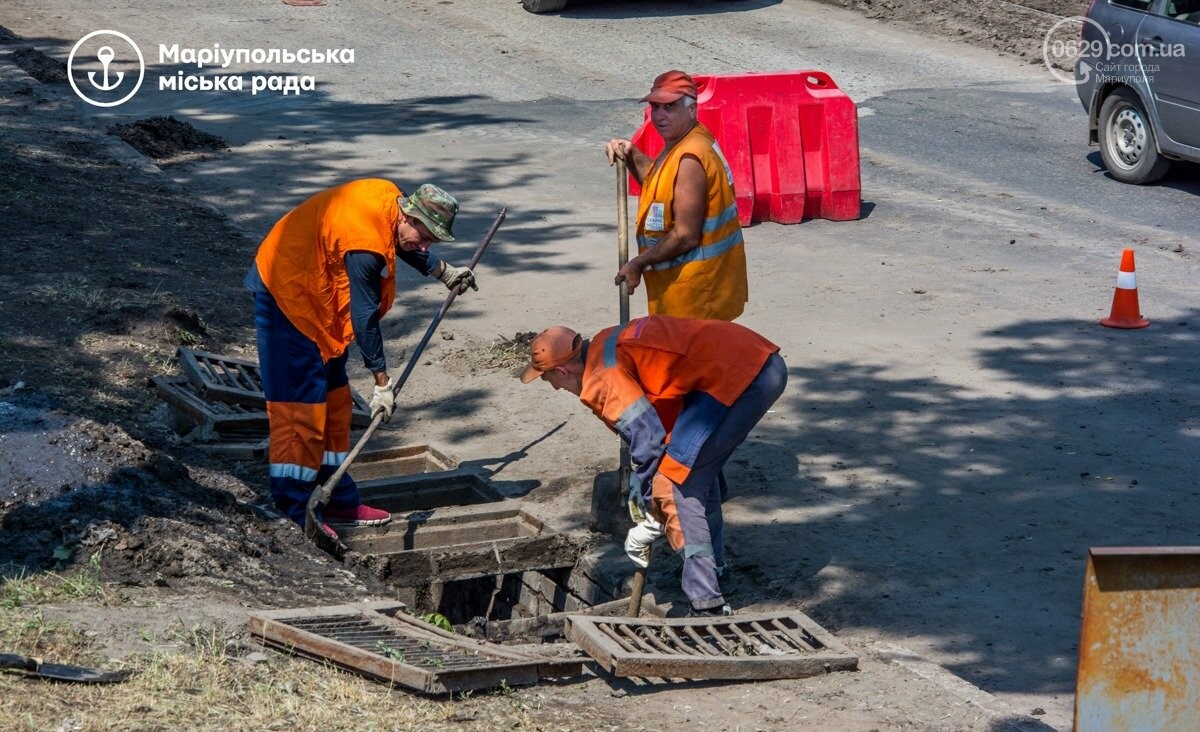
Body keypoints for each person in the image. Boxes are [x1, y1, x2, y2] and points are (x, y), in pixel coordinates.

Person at [246, 179, 477, 536]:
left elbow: (401, 241)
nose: (425, 244)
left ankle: (336, 497)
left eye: (433, 241)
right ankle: (293, 514)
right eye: (426, 236)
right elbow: (364, 317)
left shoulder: (390, 203)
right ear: (409, 215)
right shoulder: (365, 243)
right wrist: (382, 383)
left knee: (336, 404)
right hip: (287, 297)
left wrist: (440, 269)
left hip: (318, 299)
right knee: (300, 412)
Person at [519, 316, 787, 615]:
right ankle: (716, 570)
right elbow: (658, 418)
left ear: (562, 370)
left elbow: (648, 438)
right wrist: (642, 477)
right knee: (696, 476)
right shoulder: (605, 342)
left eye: (548, 379)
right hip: (748, 362)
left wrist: (650, 510)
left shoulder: (602, 379)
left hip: (743, 378)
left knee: (673, 486)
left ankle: (707, 604)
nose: (554, 388)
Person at [604, 70, 748, 322]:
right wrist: (631, 155)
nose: (659, 116)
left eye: (669, 107)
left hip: (694, 296)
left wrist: (638, 263)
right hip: (692, 291)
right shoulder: (687, 139)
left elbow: (685, 236)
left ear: (691, 110)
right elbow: (662, 183)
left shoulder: (691, 157)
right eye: (655, 107)